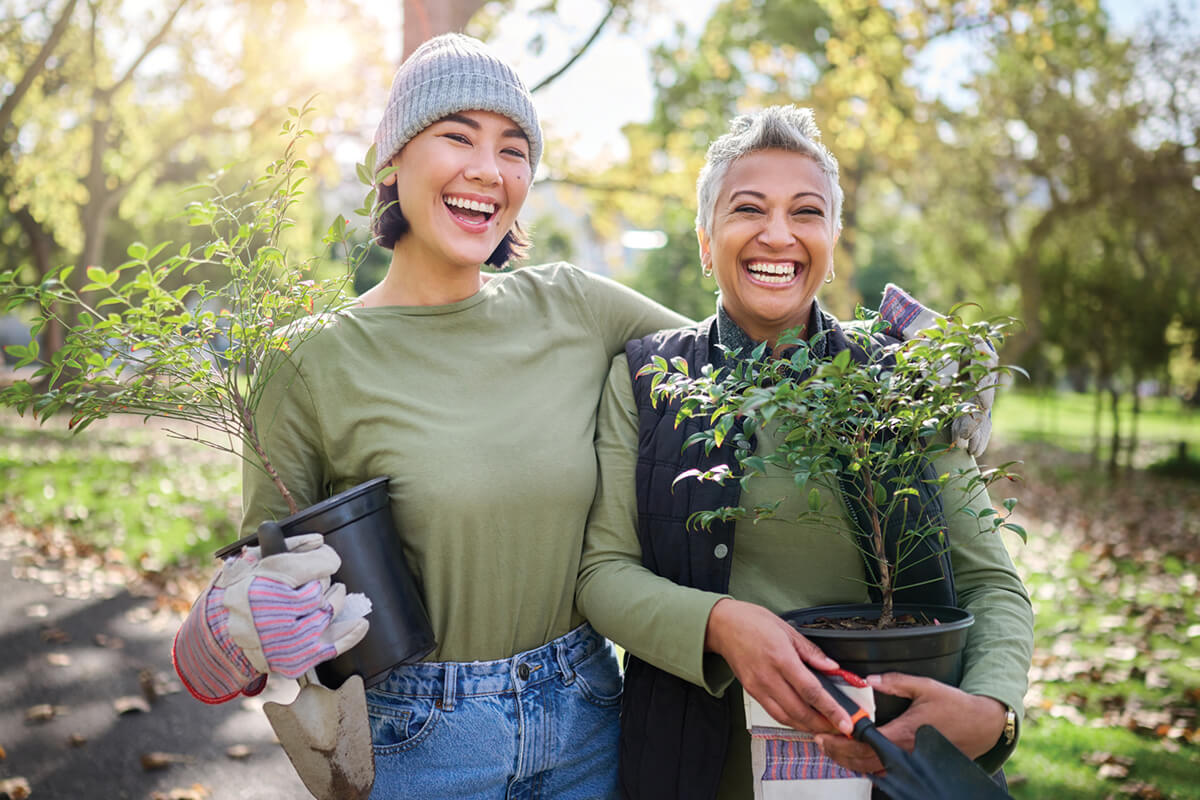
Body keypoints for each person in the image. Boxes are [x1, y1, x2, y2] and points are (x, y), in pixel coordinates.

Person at [170, 36, 981, 798]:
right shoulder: (305, 360)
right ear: (392, 158)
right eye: (458, 136)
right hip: (418, 740)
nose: (488, 169)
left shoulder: (575, 305)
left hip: (591, 722)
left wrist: (915, 368)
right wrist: (228, 633)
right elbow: (265, 578)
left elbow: (751, 349)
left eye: (513, 150)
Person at [575, 105, 1034, 799]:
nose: (778, 234)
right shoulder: (646, 381)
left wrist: (992, 708)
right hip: (691, 760)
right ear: (707, 243)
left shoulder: (903, 380)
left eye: (806, 212)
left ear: (833, 240)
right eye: (748, 209)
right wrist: (720, 625)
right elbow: (603, 571)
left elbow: (989, 581)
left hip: (891, 758)